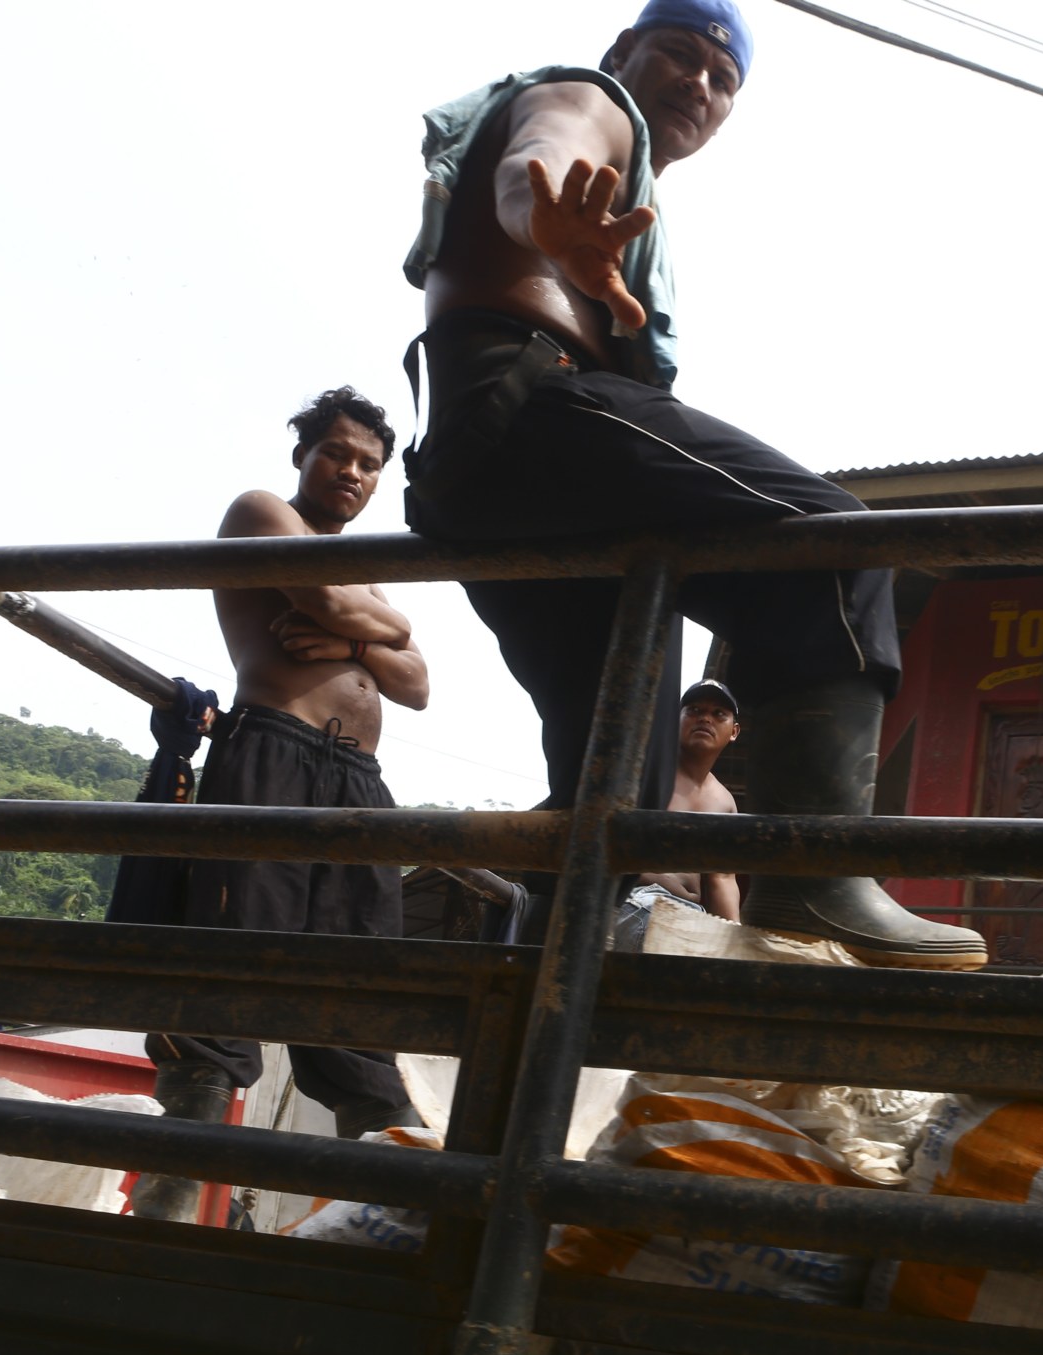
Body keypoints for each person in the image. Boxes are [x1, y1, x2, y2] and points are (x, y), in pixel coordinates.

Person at [396, 0, 986, 970]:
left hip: (495, 475)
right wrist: (542, 210)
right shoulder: (589, 101)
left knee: (618, 784)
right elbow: (541, 153)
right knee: (835, 543)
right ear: (624, 50)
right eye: (678, 54)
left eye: (723, 80)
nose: (698, 85)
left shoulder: (632, 214)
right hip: (531, 410)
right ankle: (815, 873)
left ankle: (523, 1005)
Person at [133, 389, 432, 1222]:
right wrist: (373, 627)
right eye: (336, 453)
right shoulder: (262, 511)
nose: (352, 472)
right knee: (231, 964)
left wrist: (356, 639)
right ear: (303, 455)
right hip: (274, 751)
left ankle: (390, 1225)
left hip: (359, 783)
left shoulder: (365, 571)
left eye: (369, 464)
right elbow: (328, 604)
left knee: (358, 988)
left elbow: (417, 684)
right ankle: (167, 1207)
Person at [614, 678, 742, 949]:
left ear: (734, 731)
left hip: (689, 914)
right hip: (632, 900)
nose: (705, 718)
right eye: (694, 710)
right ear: (676, 720)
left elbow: (722, 880)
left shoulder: (724, 802)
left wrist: (735, 942)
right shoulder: (646, 770)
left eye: (718, 713)